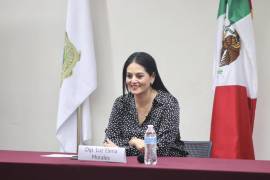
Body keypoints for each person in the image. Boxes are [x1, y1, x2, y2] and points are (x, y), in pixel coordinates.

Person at [104, 52, 187, 157]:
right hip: (128, 166)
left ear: (152, 77)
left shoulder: (168, 103)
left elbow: (161, 148)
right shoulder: (121, 103)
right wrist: (136, 143)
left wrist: (122, 149)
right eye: (129, 76)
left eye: (139, 76)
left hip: (166, 165)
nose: (133, 80)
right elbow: (109, 141)